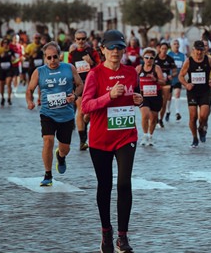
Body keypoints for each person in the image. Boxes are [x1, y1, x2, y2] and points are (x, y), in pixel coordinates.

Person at [81, 30, 143, 253]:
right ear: (103, 50)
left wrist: (139, 99)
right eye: (111, 48)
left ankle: (122, 237)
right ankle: (106, 232)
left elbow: (137, 95)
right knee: (105, 185)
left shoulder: (131, 73)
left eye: (119, 47)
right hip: (100, 138)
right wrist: (109, 97)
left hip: (126, 135)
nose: (115, 52)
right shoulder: (95, 74)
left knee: (124, 183)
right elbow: (85, 106)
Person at [25, 42, 83, 187]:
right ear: (44, 58)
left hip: (66, 115)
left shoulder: (69, 68)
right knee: (48, 141)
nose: (52, 61)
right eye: (49, 58)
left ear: (60, 56)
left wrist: (75, 96)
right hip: (47, 114)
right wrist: (30, 102)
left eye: (55, 57)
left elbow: (80, 85)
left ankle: (61, 156)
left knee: (65, 148)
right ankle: (48, 174)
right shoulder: (39, 72)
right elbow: (29, 89)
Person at [178, 40, 211, 147]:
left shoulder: (209, 60)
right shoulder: (189, 61)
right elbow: (180, 76)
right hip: (192, 92)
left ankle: (201, 129)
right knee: (193, 117)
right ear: (193, 49)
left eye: (201, 50)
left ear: (204, 50)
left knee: (204, 116)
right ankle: (195, 138)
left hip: (205, 91)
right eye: (197, 50)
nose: (199, 52)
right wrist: (186, 84)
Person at [68, 29, 102, 151]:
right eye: (78, 39)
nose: (81, 41)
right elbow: (69, 69)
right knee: (81, 111)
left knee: (89, 114)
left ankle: (85, 127)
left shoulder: (92, 52)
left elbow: (100, 68)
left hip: (92, 85)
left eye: (83, 39)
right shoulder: (72, 54)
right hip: (79, 85)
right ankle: (82, 141)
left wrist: (91, 62)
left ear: (86, 39)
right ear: (75, 40)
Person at [137, 47, 165, 146]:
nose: (149, 60)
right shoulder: (139, 68)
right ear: (143, 58)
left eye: (151, 58)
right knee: (145, 115)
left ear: (154, 59)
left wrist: (155, 79)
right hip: (143, 96)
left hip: (155, 96)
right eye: (147, 57)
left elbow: (163, 81)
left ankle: (150, 136)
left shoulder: (156, 68)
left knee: (153, 118)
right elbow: (132, 80)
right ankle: (144, 135)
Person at [154, 42, 176, 128]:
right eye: (162, 49)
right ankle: (155, 117)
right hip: (156, 83)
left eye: (165, 49)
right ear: (159, 49)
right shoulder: (155, 58)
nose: (164, 51)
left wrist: (172, 75)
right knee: (156, 102)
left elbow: (174, 71)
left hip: (166, 83)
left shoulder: (170, 59)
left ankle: (160, 119)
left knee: (164, 103)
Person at [166, 39, 186, 121]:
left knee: (177, 94)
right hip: (170, 78)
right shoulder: (169, 54)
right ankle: (167, 111)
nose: (176, 45)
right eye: (174, 44)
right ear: (171, 46)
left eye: (177, 44)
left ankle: (177, 112)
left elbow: (185, 66)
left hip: (178, 78)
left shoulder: (182, 55)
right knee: (169, 96)